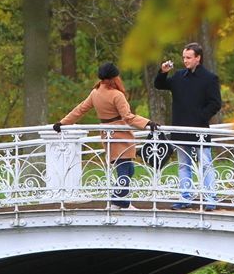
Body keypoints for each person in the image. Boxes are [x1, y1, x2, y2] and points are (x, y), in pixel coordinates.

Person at [53, 62, 158, 209]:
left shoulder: (95, 93)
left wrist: (62, 122)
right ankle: (118, 202)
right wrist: (148, 123)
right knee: (125, 168)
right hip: (121, 134)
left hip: (107, 134)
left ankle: (122, 202)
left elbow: (80, 109)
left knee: (126, 168)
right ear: (113, 78)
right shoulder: (117, 95)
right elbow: (128, 117)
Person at [154, 42, 222, 210]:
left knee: (205, 164)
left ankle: (210, 198)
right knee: (184, 165)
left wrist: (200, 117)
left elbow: (215, 103)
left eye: (189, 57)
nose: (185, 61)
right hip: (180, 129)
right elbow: (159, 85)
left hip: (199, 130)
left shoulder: (209, 78)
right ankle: (185, 197)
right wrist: (163, 72)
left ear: (198, 58)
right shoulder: (178, 77)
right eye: (184, 57)